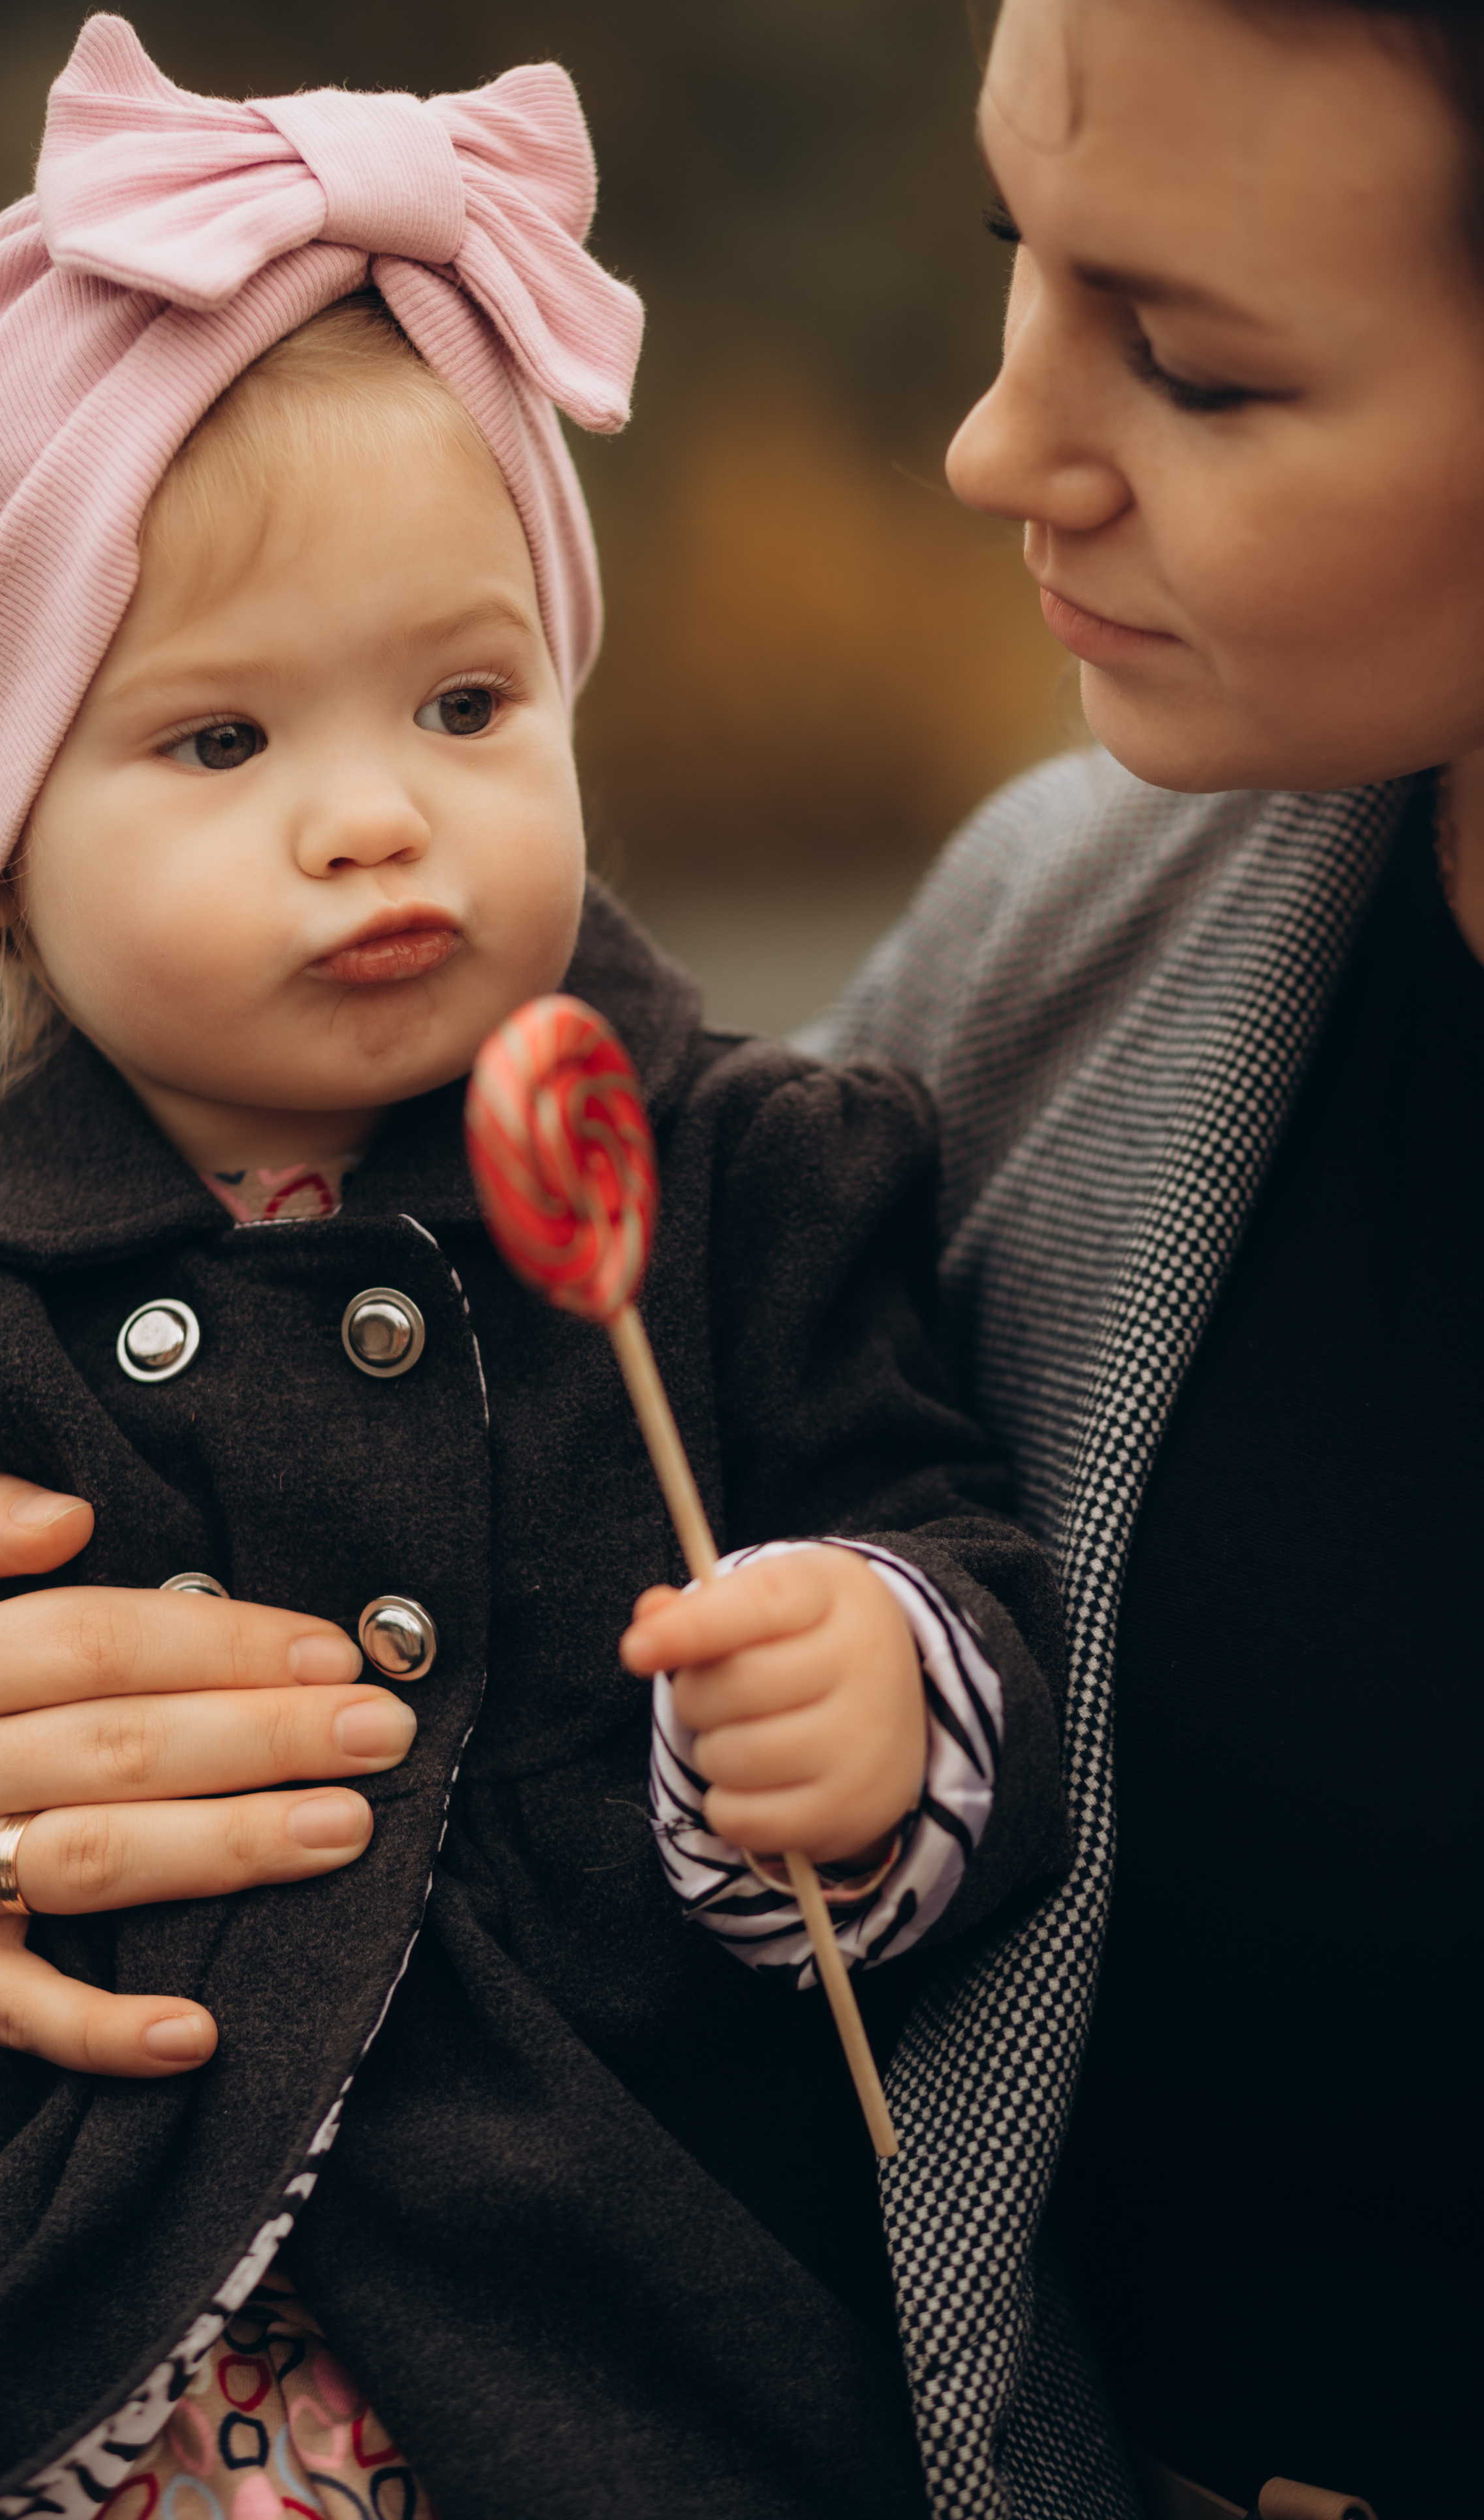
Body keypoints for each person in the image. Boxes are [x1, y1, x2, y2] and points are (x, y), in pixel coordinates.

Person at [0, 18, 1070, 2519]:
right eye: (216, 746)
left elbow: (959, 1557)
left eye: (469, 700)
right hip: (38, 2361)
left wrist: (883, 1691)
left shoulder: (751, 1185)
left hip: (629, 2359)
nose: (375, 814)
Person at [808, 1, 1484, 2516]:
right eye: (1023, 255)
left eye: (1190, 364)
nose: (996, 448)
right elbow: (508, 1529)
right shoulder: (1043, 957)